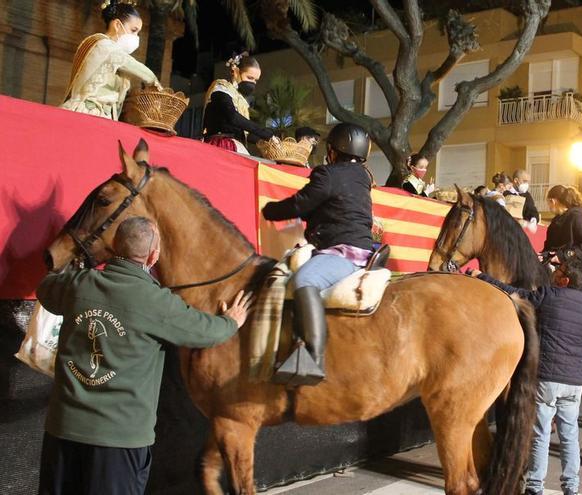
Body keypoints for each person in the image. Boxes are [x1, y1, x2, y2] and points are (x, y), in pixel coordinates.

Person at [36, 217, 253, 495]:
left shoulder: (78, 285)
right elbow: (206, 333)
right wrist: (232, 321)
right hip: (118, 443)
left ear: (113, 248)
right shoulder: (156, 302)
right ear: (154, 255)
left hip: (62, 431)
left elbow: (47, 286)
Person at [468, 254, 582, 495]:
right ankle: (572, 488)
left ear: (565, 279)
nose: (554, 273)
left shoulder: (547, 295)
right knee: (570, 436)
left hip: (547, 379)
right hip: (574, 383)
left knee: (540, 434)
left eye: (558, 272)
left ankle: (535, 487)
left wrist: (482, 277)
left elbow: (514, 293)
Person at [261, 123, 374, 386]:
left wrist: (270, 210)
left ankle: (312, 357)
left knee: (304, 280)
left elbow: (303, 202)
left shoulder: (328, 174)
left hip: (343, 251)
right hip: (359, 247)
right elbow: (330, 207)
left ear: (333, 151)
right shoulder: (362, 176)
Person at [60, 0, 160, 120]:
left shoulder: (115, 58)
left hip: (104, 117)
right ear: (117, 25)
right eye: (133, 30)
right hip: (88, 113)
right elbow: (137, 68)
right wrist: (155, 83)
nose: (136, 37)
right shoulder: (103, 45)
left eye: (138, 33)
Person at [202, 52, 276, 154]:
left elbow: (243, 131)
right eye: (250, 78)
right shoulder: (221, 88)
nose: (253, 83)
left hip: (236, 144)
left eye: (256, 80)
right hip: (221, 145)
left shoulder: (239, 98)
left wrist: (268, 140)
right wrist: (263, 132)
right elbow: (232, 116)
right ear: (236, 72)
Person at [543, 185, 582, 275]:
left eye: (548, 203)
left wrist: (563, 256)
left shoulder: (576, 217)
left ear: (553, 201)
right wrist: (543, 256)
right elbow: (550, 246)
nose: (548, 206)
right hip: (556, 273)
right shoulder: (556, 221)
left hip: (574, 274)